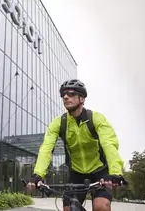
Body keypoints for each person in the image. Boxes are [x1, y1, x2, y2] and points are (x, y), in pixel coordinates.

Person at [26, 79, 124, 211]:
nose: (66, 97)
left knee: (101, 206)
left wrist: (115, 173)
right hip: (76, 173)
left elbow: (109, 144)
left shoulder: (96, 118)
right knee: (69, 208)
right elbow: (46, 149)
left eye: (71, 94)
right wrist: (38, 175)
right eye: (64, 95)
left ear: (82, 99)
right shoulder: (59, 123)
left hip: (100, 172)